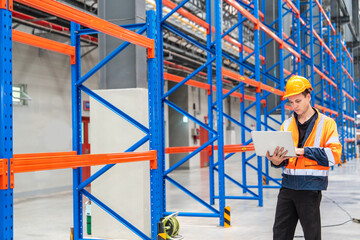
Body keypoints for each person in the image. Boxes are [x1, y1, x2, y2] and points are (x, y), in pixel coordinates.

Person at [266, 75, 342, 240]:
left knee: (312, 236)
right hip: (287, 186)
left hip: (310, 188)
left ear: (309, 97)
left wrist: (302, 151)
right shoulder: (286, 124)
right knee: (280, 234)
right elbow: (286, 157)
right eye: (291, 102)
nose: (294, 106)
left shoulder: (327, 124)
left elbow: (334, 156)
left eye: (298, 101)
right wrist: (277, 161)